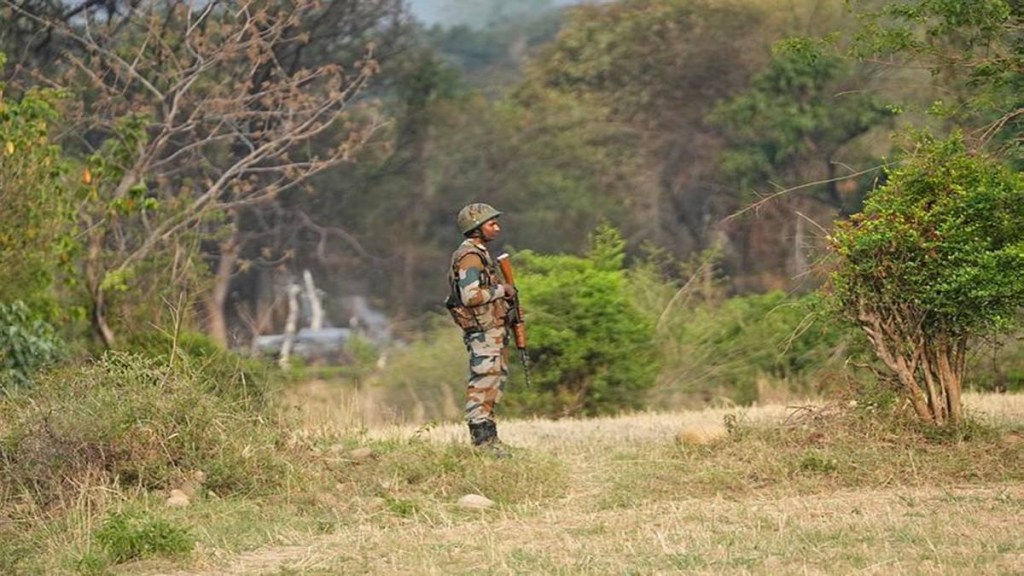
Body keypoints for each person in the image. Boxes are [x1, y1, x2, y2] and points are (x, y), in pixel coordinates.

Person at [446, 202, 516, 454]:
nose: (497, 227)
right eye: (491, 223)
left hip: (492, 328)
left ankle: (490, 438)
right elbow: (470, 296)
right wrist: (502, 290)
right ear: (476, 228)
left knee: (494, 380)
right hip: (483, 330)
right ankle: (481, 441)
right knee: (483, 381)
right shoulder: (470, 257)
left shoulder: (479, 253)